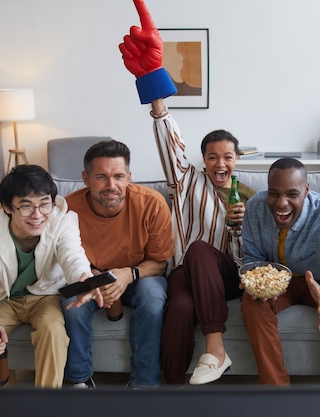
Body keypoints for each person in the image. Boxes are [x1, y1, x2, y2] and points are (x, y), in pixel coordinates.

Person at [119, 0, 256, 385]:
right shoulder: (187, 178)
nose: (219, 164)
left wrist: (238, 228)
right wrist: (154, 87)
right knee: (178, 306)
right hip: (183, 273)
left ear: (235, 160)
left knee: (199, 249)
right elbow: (166, 131)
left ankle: (216, 347)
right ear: (202, 160)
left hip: (225, 276)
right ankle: (171, 389)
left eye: (226, 157)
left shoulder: (247, 197)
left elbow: (250, 261)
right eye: (211, 157)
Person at [0, 164, 93, 388]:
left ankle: (45, 404)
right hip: (1, 301)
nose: (37, 215)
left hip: (45, 298)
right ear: (7, 207)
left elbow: (73, 256)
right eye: (26, 207)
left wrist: (83, 278)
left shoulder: (64, 220)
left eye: (45, 204)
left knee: (53, 331)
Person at [241, 158, 320, 385]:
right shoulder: (255, 207)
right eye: (274, 193)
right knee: (252, 303)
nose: (281, 203)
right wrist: (253, 281)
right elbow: (253, 259)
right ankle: (276, 393)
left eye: (292, 194)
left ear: (306, 191)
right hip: (277, 282)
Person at [61, 140, 174, 389]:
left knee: (152, 298)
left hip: (139, 277)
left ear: (129, 177)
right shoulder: (68, 208)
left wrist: (129, 274)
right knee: (72, 304)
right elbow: (59, 258)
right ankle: (79, 381)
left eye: (118, 176)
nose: (111, 186)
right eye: (101, 177)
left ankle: (144, 384)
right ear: (86, 178)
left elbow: (159, 263)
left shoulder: (152, 204)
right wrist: (90, 276)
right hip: (87, 277)